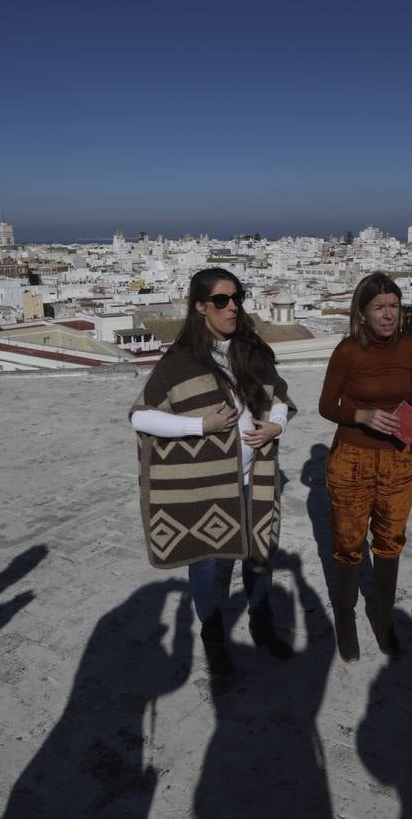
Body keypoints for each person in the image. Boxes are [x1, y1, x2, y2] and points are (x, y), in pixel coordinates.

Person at [130, 268, 297, 676]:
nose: (232, 306)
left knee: (260, 555)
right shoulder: (180, 362)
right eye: (221, 300)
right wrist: (198, 427)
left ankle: (260, 622)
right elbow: (141, 417)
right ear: (200, 307)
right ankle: (213, 635)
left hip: (254, 478)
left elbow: (278, 394)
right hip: (206, 487)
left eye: (236, 297)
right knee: (207, 563)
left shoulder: (251, 350)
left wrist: (277, 424)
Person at [318, 272, 412, 661]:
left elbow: (409, 394)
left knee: (390, 542)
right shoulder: (348, 351)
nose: (388, 315)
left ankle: (383, 618)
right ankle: (346, 619)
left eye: (394, 306)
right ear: (363, 313)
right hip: (351, 459)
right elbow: (327, 406)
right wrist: (363, 415)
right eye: (379, 308)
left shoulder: (409, 349)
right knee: (348, 545)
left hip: (399, 459)